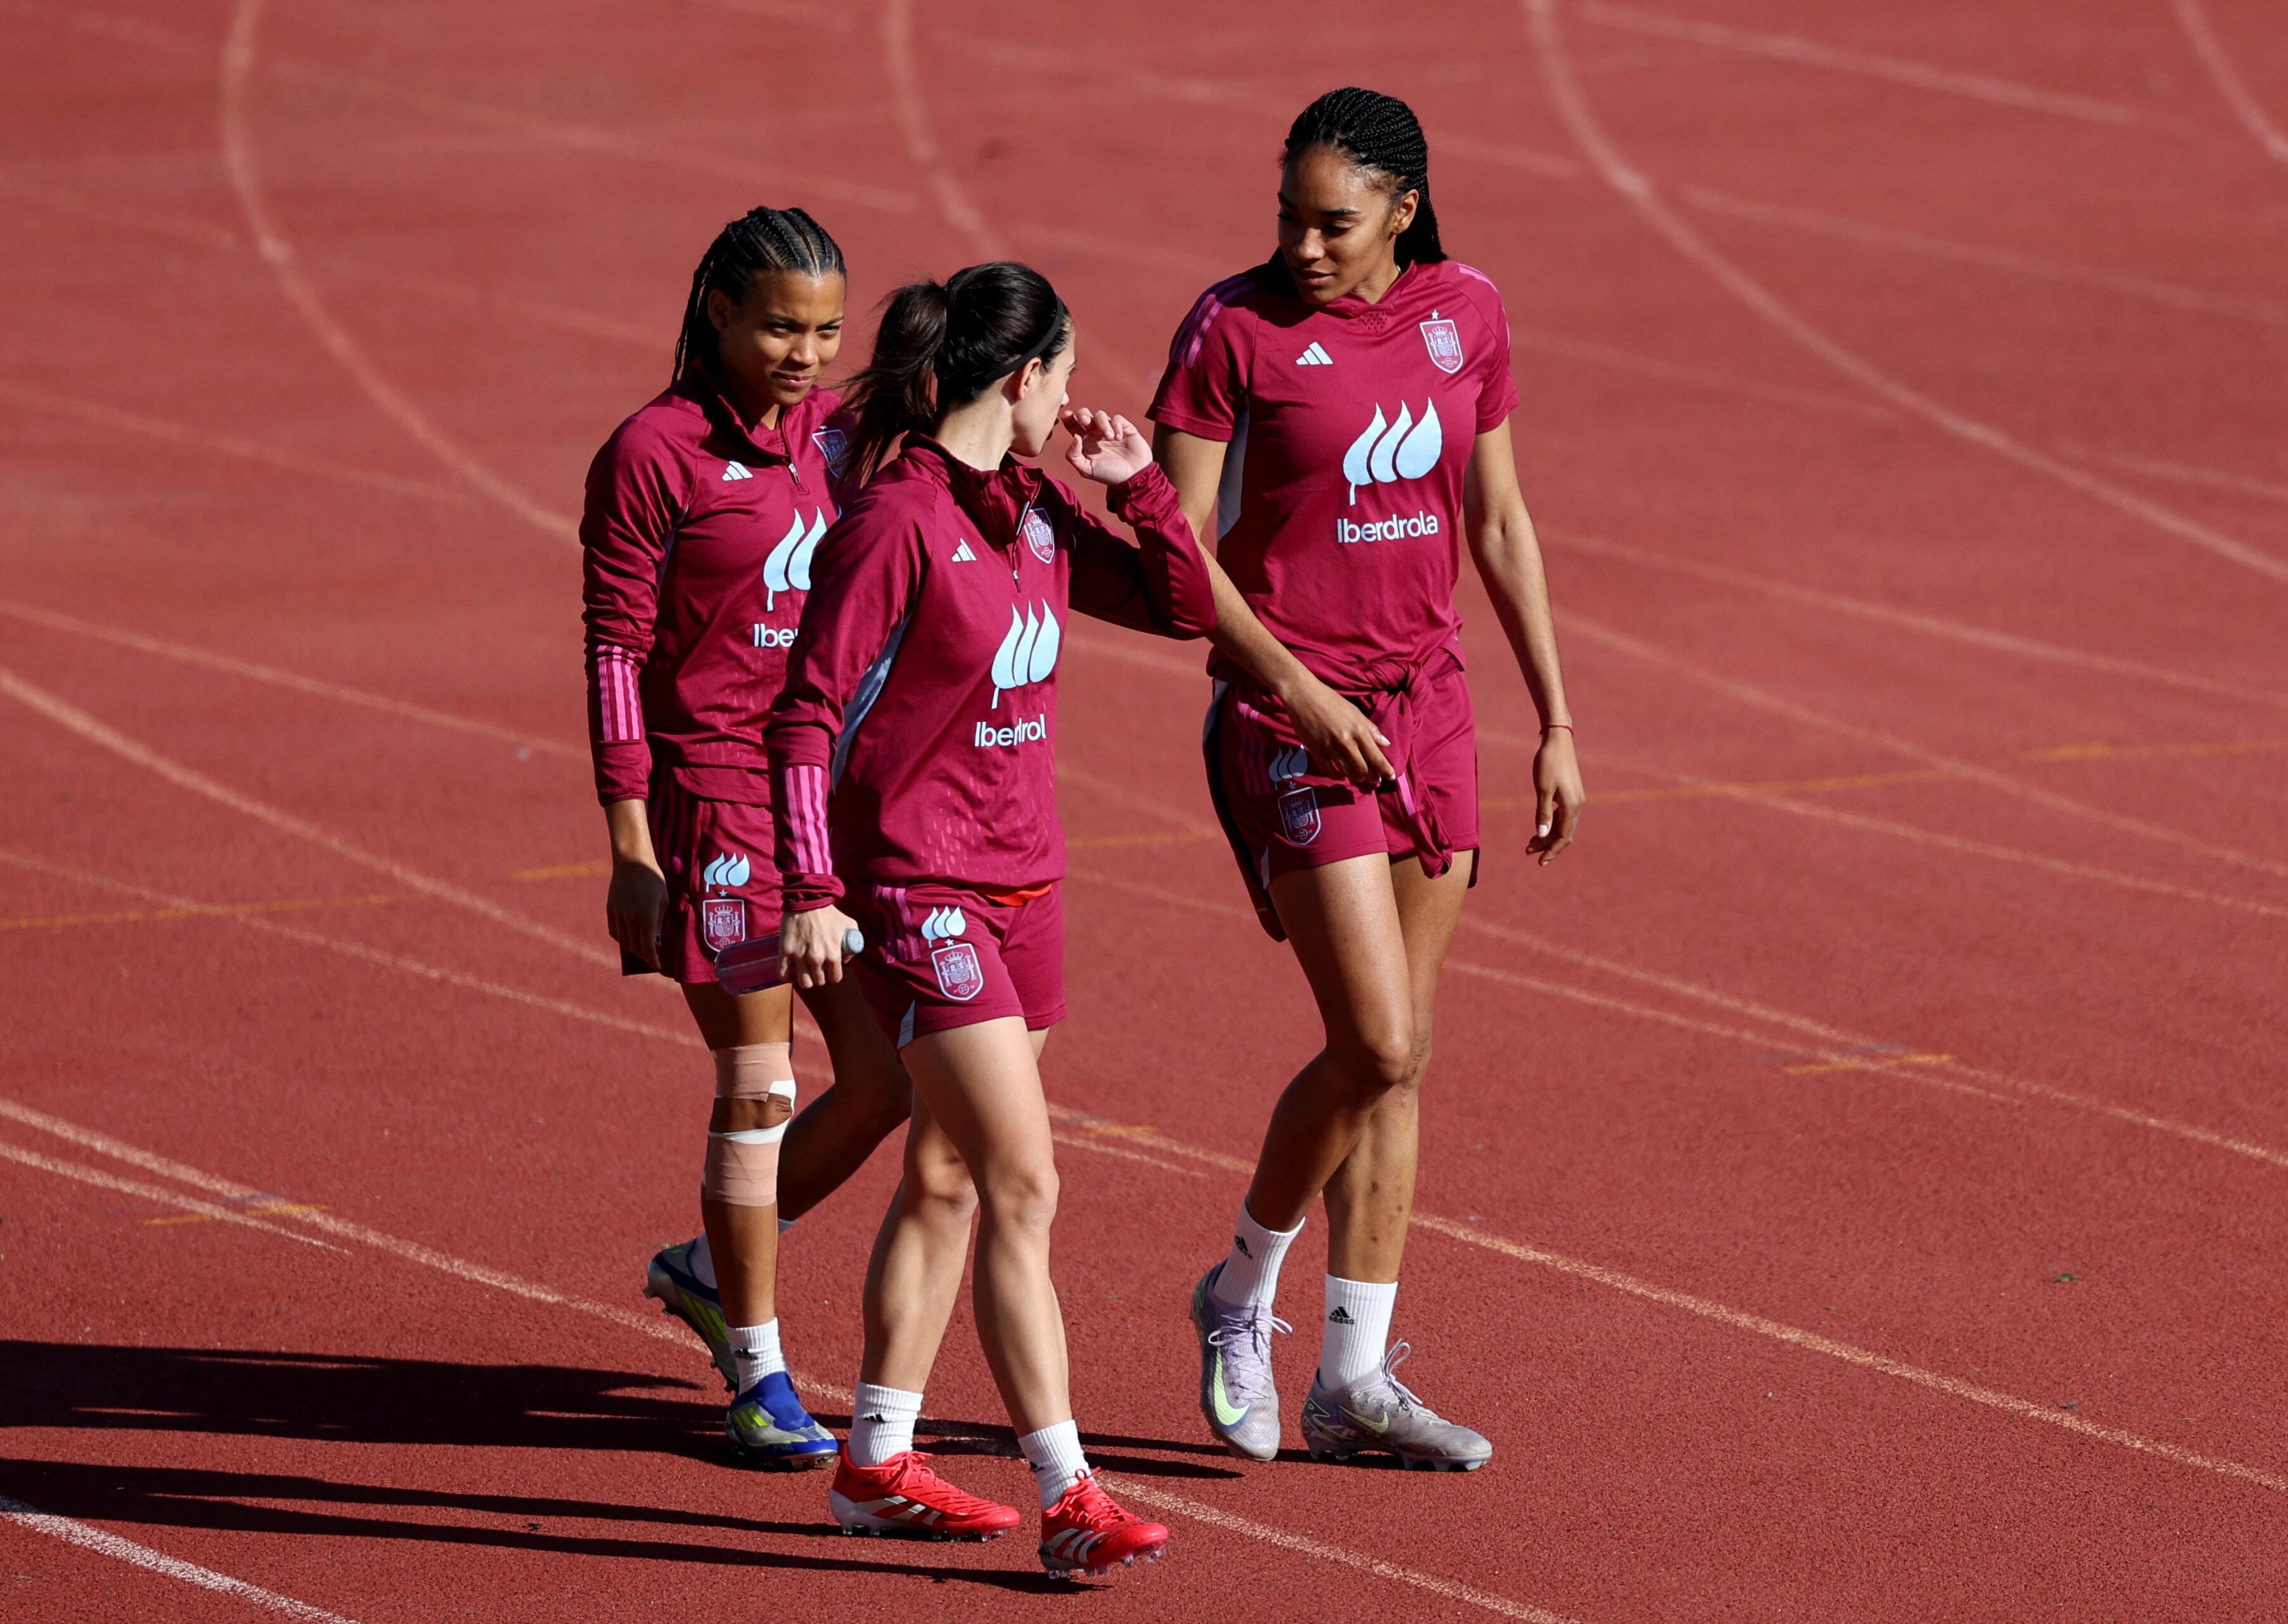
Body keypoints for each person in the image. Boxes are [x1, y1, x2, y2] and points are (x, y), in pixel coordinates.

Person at [1149, 87, 1587, 1470]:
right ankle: (1235, 1294)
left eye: (1331, 222)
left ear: (1402, 208)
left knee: (1401, 1062)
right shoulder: (1232, 331)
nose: (1302, 245)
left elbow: (1499, 518)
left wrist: (1555, 718)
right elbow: (1178, 560)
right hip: (1292, 719)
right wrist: (1294, 689)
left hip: (1430, 712)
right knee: (1377, 1042)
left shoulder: (1467, 311)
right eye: (1286, 216)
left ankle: (1352, 1380)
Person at [767, 262, 1210, 1575]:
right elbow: (803, 710)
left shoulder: (1027, 511)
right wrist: (810, 887)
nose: (1074, 396)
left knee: (952, 1174)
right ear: (1019, 378)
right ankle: (1070, 1489)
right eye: (1063, 374)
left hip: (1028, 884)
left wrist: (1134, 487)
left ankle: (871, 1464)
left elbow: (1182, 607)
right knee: (1026, 1180)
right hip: (921, 888)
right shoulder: (893, 522)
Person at [580, 206, 931, 1469]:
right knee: (760, 1078)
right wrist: (629, 840)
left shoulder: (845, 438)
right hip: (709, 800)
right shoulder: (652, 454)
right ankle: (757, 1370)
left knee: (885, 1081)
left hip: (820, 795)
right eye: (781, 324)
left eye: (827, 329)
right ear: (718, 309)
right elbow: (616, 651)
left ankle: (710, 1264)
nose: (805, 351)